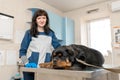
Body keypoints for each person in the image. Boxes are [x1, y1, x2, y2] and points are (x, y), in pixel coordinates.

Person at [19, 9, 61, 80]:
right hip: (30, 68)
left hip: (45, 68)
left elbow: (59, 48)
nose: (42, 20)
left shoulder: (51, 33)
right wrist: (26, 63)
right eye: (39, 18)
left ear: (46, 20)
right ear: (35, 20)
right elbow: (22, 51)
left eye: (44, 18)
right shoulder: (29, 33)